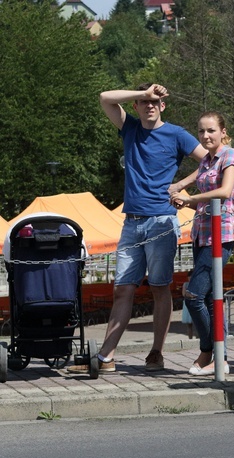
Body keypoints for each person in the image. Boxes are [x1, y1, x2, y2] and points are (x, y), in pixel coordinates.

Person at [68, 83, 206, 375]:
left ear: (164, 106)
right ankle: (107, 356)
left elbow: (211, 160)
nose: (150, 106)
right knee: (122, 290)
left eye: (155, 101)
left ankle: (156, 352)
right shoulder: (129, 127)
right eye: (145, 101)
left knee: (159, 288)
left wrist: (181, 185)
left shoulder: (177, 134)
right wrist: (141, 92)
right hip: (130, 222)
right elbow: (104, 97)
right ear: (137, 106)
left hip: (162, 221)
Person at [170, 111, 234, 376]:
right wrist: (176, 188)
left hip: (221, 235)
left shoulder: (230, 156)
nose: (205, 136)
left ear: (223, 131)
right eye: (201, 131)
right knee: (211, 298)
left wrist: (189, 200)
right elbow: (192, 179)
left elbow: (224, 192)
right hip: (201, 233)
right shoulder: (208, 160)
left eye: (211, 130)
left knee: (193, 295)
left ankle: (209, 352)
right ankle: (216, 358)